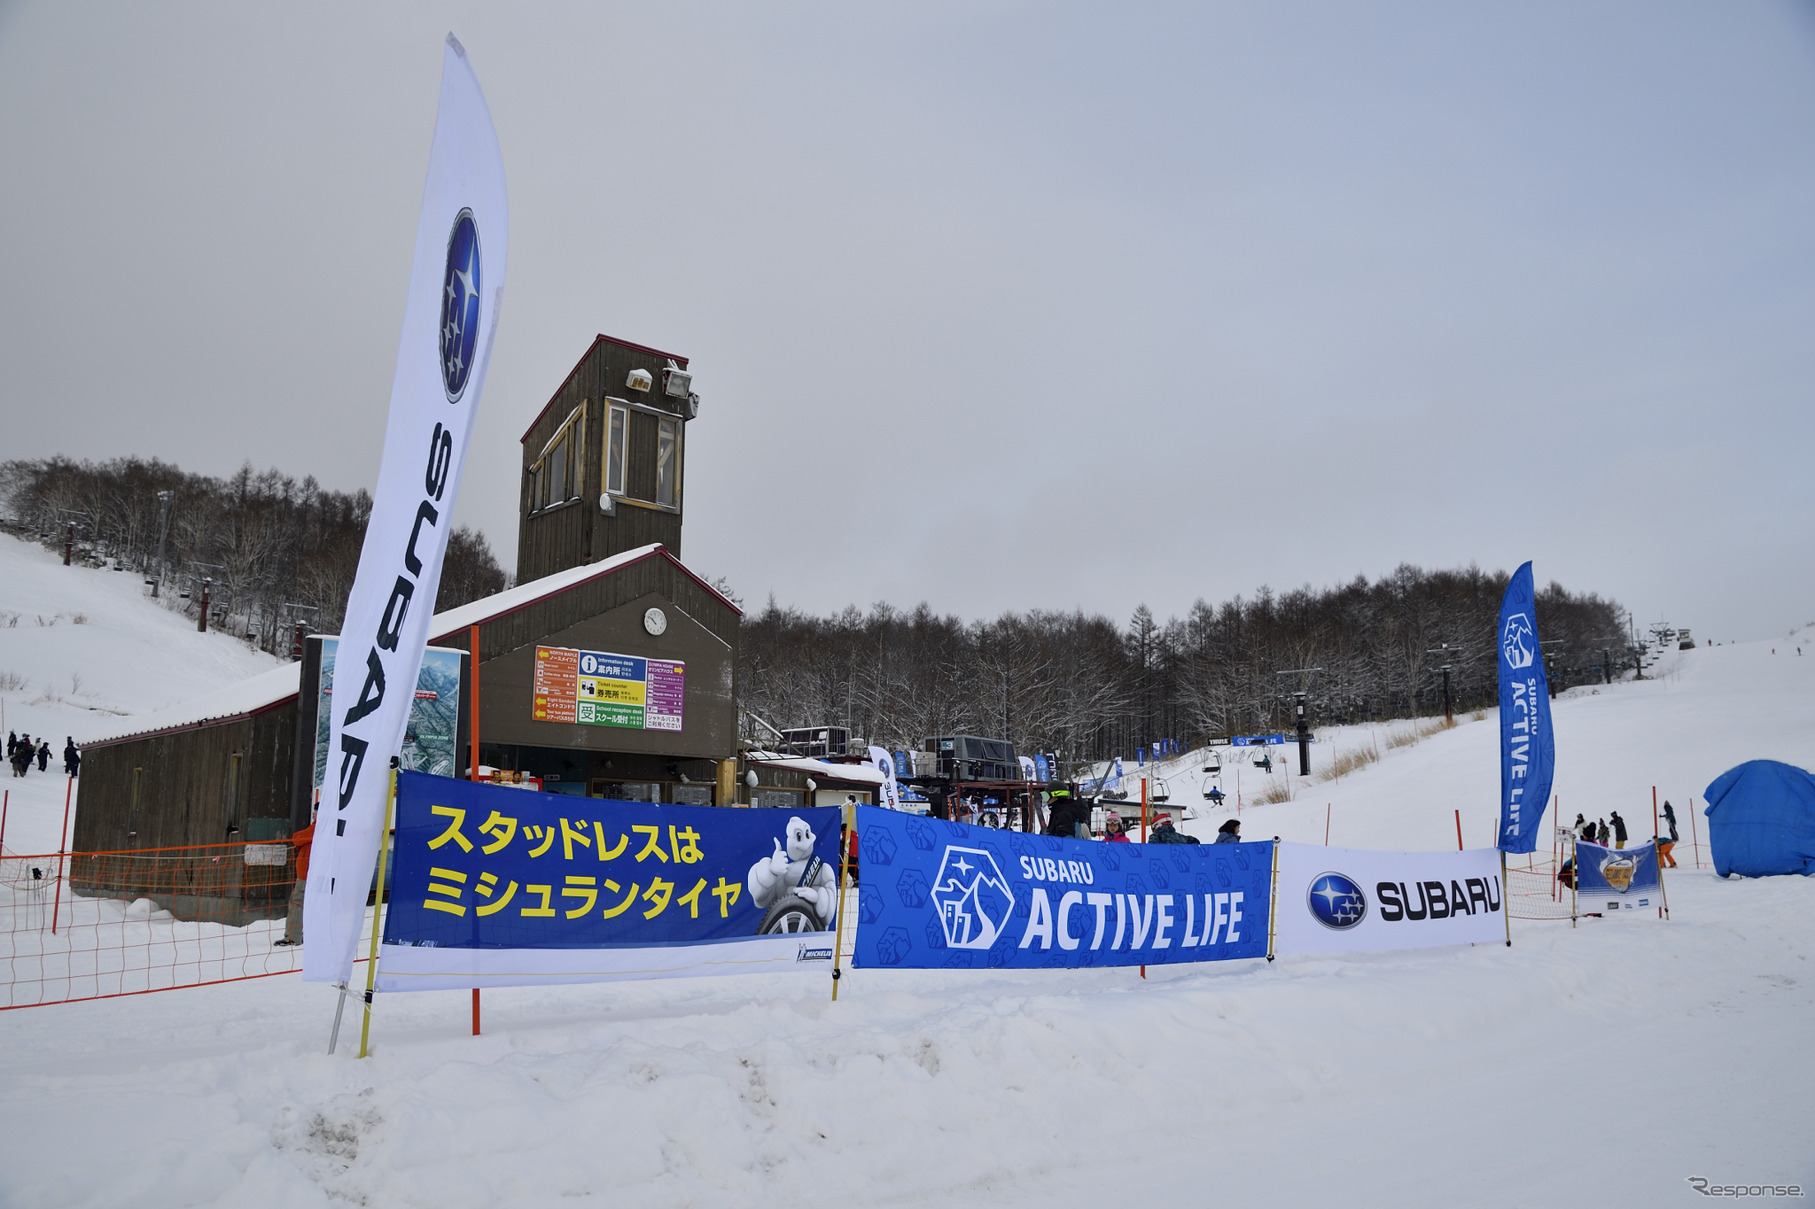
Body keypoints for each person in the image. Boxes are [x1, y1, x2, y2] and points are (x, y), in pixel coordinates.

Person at [277, 811, 316, 947]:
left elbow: (297, 838)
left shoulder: (319, 827)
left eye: (316, 811)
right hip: (310, 875)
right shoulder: (324, 828)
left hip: (307, 876)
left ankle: (293, 937)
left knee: (297, 903)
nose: (313, 814)